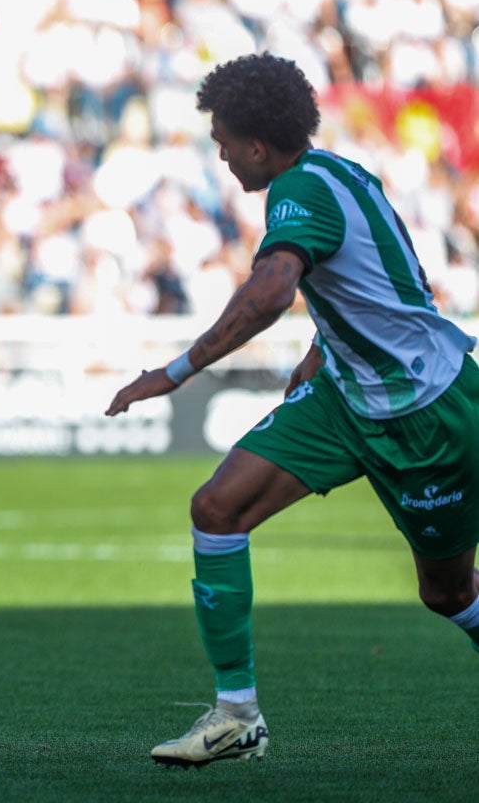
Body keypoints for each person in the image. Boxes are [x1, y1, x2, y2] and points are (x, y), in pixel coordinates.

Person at [106, 53, 479, 768]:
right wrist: (322, 349)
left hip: (425, 415)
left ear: (255, 145)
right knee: (216, 508)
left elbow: (272, 291)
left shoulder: (295, 191)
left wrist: (175, 371)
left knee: (447, 592)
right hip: (345, 398)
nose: (217, 153)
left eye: (220, 140)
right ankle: (235, 716)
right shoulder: (339, 172)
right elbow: (382, 280)